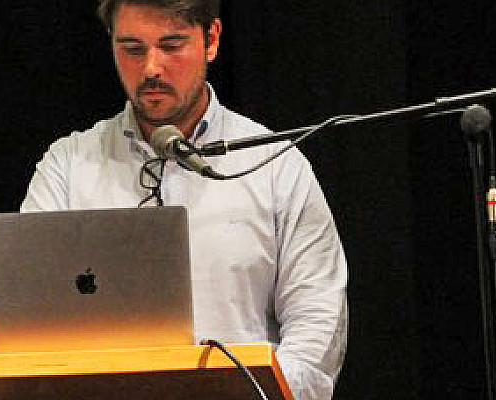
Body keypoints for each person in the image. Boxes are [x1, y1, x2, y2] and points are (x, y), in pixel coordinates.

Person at [20, 1, 348, 399]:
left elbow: (317, 323)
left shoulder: (275, 165)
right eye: (132, 49)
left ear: (211, 40)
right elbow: (29, 323)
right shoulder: (68, 167)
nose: (151, 69)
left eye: (171, 46)